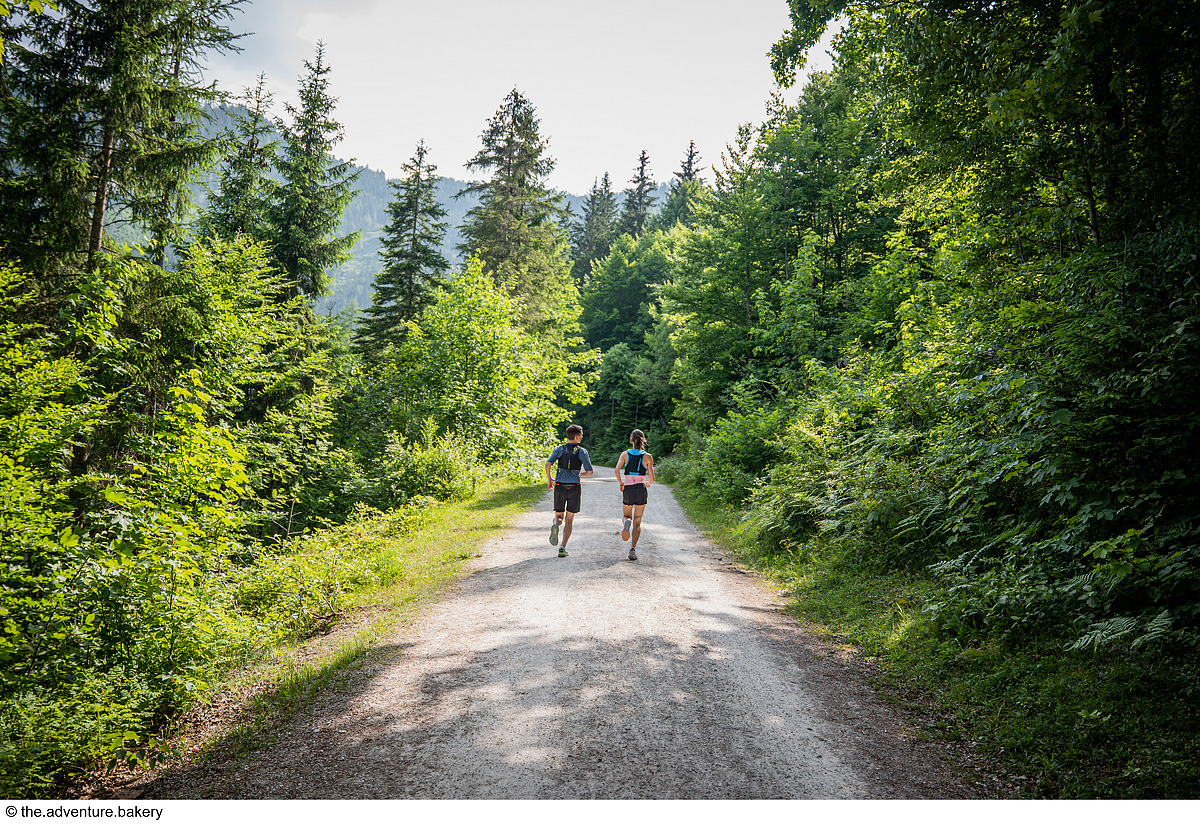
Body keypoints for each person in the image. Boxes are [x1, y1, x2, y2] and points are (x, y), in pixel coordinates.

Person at [545, 424, 594, 557]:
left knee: (559, 516)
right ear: (577, 437)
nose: (582, 438)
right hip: (574, 488)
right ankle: (562, 547)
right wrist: (580, 475)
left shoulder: (559, 449)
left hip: (560, 486)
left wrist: (550, 479)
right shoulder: (582, 452)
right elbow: (590, 471)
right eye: (581, 436)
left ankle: (556, 524)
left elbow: (548, 464)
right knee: (569, 520)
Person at [614, 429, 655, 561]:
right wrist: (647, 483)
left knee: (627, 516)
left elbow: (616, 470)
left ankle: (627, 522)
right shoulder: (648, 456)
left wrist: (621, 482)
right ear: (643, 441)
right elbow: (652, 478)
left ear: (631, 440)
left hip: (629, 488)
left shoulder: (625, 454)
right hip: (641, 489)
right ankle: (632, 550)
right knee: (638, 523)